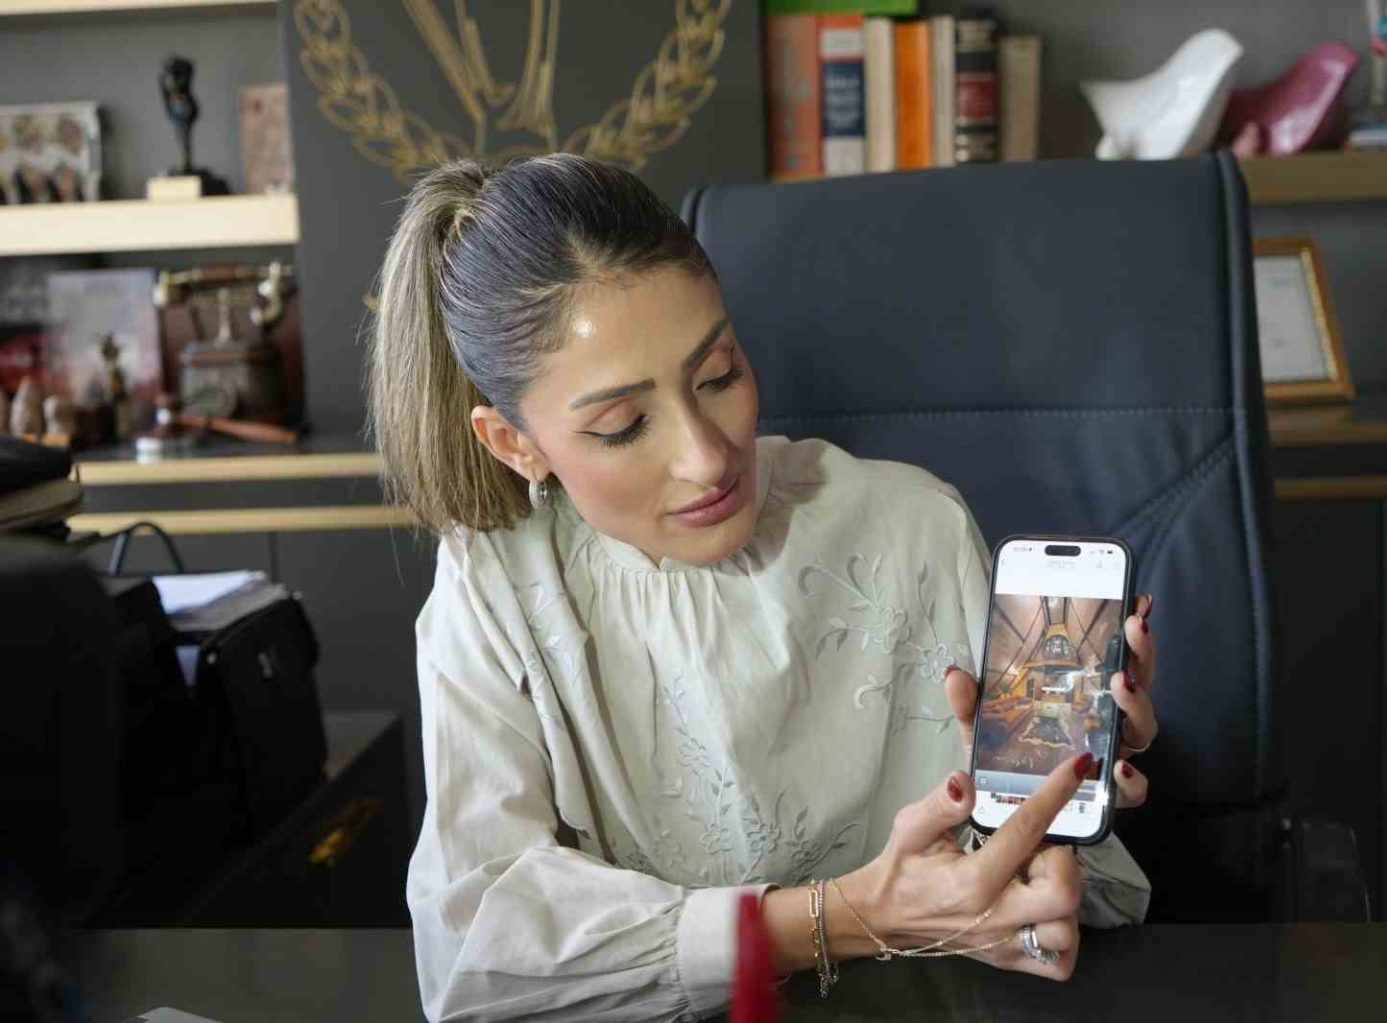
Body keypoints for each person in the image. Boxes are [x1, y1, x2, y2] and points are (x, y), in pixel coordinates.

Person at [371, 154, 1161, 1022]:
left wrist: (1050, 829)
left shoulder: (914, 526)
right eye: (623, 425)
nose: (707, 456)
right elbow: (474, 950)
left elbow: (1044, 901)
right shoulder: (494, 583)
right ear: (514, 443)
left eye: (718, 374)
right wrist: (840, 918)